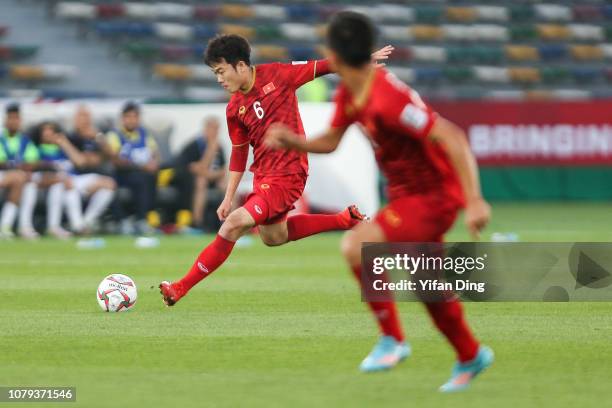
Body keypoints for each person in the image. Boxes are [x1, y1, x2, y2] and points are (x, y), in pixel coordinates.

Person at [265, 12, 493, 392]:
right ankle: (471, 354)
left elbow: (451, 138)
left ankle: (392, 340)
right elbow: (331, 142)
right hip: (406, 195)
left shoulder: (388, 98)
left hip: (433, 195)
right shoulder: (351, 93)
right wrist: (294, 141)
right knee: (429, 286)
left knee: (358, 246)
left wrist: (474, 200)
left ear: (333, 55)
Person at [158, 35, 393, 305]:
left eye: (221, 71)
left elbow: (323, 66)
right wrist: (227, 196)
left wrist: (361, 61)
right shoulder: (234, 108)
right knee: (274, 237)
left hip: (289, 172)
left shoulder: (280, 74)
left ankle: (179, 287)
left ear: (241, 66)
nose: (219, 79)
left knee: (234, 224)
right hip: (264, 176)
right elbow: (239, 153)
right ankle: (344, 220)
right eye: (215, 74)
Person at [106, 102, 159, 235]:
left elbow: (154, 153)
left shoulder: (144, 134)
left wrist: (154, 163)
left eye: (134, 117)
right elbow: (116, 160)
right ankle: (133, 220)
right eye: (128, 117)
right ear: (122, 119)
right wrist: (141, 166)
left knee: (150, 177)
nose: (131, 120)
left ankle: (143, 219)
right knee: (140, 178)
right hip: (122, 173)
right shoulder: (114, 135)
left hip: (142, 174)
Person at [68, 105, 116, 233]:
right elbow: (81, 162)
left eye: (87, 116)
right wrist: (93, 159)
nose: (84, 120)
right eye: (81, 116)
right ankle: (78, 225)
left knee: (108, 187)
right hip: (73, 177)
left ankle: (85, 223)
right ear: (75, 119)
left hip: (92, 178)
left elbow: (111, 155)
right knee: (106, 183)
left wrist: (98, 136)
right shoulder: (71, 137)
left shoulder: (96, 137)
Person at [172, 116, 227, 230]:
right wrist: (210, 151)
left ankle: (230, 223)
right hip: (192, 181)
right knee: (201, 181)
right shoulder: (195, 145)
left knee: (229, 184)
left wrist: (212, 175)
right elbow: (196, 168)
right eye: (213, 129)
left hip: (213, 177)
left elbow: (223, 169)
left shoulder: (220, 146)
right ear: (205, 129)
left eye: (217, 129)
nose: (215, 132)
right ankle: (197, 223)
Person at [0, 103, 43, 239]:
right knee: (20, 177)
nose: (13, 122)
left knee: (29, 183)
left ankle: (23, 226)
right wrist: (18, 167)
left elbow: (33, 162)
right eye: (11, 118)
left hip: (16, 177)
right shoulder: (1, 139)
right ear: (5, 120)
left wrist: (15, 167)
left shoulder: (25, 140)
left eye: (16, 118)